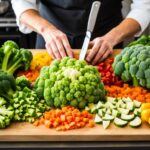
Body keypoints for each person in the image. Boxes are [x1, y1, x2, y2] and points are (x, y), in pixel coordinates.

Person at [11, 0, 150, 65]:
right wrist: (46, 29)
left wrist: (112, 37)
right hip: (50, 38)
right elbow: (22, 3)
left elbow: (144, 6)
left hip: (106, 40)